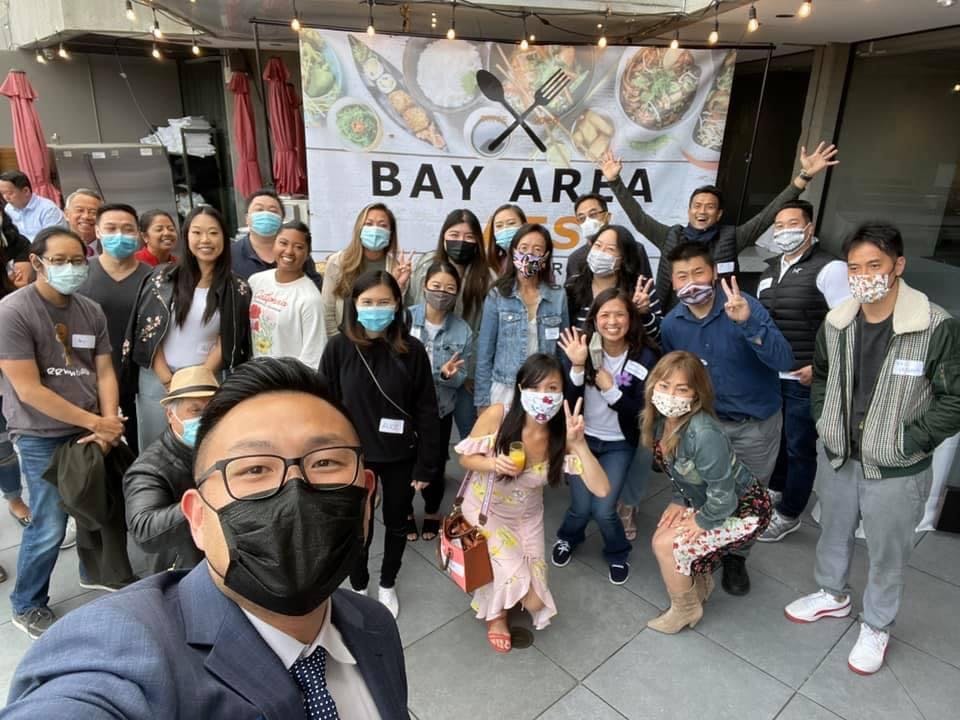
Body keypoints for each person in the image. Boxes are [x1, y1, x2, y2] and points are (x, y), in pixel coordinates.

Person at [4, 357, 409, 718]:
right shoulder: (123, 651)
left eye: (325, 461)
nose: (295, 487)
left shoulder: (375, 625)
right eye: (253, 469)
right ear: (196, 516)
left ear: (366, 496)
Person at [785, 223, 960, 676]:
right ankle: (832, 595)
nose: (864, 276)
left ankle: (878, 623)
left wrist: (911, 440)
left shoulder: (934, 326)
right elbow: (822, 374)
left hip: (897, 466)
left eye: (875, 265)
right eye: (856, 267)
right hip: (841, 453)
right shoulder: (839, 320)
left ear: (898, 266)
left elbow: (955, 397)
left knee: (887, 551)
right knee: (833, 531)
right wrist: (825, 420)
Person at [0, 227, 124, 639]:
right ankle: (28, 603)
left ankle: (93, 572)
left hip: (89, 427)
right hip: (40, 434)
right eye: (61, 261)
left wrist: (108, 423)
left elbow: (104, 369)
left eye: (78, 261)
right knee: (50, 522)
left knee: (92, 505)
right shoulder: (13, 312)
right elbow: (28, 389)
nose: (72, 269)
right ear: (36, 263)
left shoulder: (90, 310)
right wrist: (97, 423)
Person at [660, 241, 793, 596]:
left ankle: (737, 557)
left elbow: (783, 361)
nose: (691, 282)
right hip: (703, 429)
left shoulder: (744, 306)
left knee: (748, 499)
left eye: (698, 273)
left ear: (714, 273)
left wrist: (749, 325)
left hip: (754, 425)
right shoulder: (673, 324)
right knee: (709, 492)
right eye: (682, 276)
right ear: (672, 281)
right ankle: (707, 552)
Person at [456, 353, 610, 652]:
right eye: (536, 388)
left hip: (527, 516)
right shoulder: (498, 415)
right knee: (511, 572)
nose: (544, 396)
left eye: (552, 389)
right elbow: (464, 458)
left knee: (536, 599)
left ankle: (504, 592)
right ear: (520, 388)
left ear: (562, 392)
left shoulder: (561, 434)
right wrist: (494, 465)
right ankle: (496, 615)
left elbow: (602, 489)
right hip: (486, 511)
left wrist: (578, 444)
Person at [319, 270, 446, 619]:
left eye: (384, 302)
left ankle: (388, 581)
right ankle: (359, 584)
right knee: (356, 527)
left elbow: (426, 410)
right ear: (355, 306)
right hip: (353, 459)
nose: (376, 309)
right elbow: (324, 408)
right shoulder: (338, 348)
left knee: (396, 522)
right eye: (368, 302)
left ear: (397, 304)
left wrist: (427, 465)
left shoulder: (412, 350)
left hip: (399, 456)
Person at [598, 142, 839, 309]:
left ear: (719, 213)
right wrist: (614, 181)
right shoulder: (670, 236)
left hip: (720, 318)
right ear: (689, 210)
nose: (702, 211)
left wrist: (804, 177)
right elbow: (638, 217)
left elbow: (768, 214)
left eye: (710, 206)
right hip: (674, 318)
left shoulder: (732, 237)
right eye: (697, 205)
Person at [642, 351, 772, 634]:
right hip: (707, 500)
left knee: (667, 547)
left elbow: (724, 495)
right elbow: (678, 471)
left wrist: (700, 522)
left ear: (695, 394)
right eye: (664, 386)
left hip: (743, 509)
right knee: (661, 535)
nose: (670, 395)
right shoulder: (661, 423)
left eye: (681, 389)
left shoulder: (703, 433)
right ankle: (698, 585)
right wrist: (679, 500)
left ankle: (685, 610)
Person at [755, 200, 850, 542]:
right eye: (778, 225)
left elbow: (847, 324)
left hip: (804, 375)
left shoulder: (830, 269)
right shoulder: (769, 270)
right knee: (778, 441)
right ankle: (777, 492)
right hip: (771, 375)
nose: (784, 231)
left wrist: (820, 366)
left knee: (799, 446)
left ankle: (789, 512)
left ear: (809, 228)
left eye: (792, 223)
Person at [553, 288, 660, 584]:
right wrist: (576, 366)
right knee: (580, 507)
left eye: (620, 314)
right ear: (594, 319)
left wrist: (610, 389)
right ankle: (567, 537)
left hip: (618, 445)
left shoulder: (645, 356)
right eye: (605, 315)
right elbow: (567, 401)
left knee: (603, 510)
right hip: (581, 441)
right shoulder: (582, 348)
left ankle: (617, 552)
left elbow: (639, 411)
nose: (612, 321)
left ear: (631, 318)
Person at [124, 206, 251, 452]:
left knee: (207, 445)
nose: (206, 240)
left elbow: (230, 338)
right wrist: (169, 381)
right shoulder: (161, 278)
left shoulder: (237, 287)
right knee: (157, 447)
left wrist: (197, 381)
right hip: (158, 379)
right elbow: (147, 334)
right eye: (197, 232)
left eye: (214, 233)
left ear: (225, 238)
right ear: (186, 237)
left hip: (208, 379)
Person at [123, 366, 218, 578]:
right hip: (187, 570)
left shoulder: (226, 444)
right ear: (170, 415)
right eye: (195, 411)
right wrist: (209, 499)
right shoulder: (149, 469)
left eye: (213, 410)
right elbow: (145, 531)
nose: (206, 418)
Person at [407, 209, 493, 439]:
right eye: (454, 234)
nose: (461, 242)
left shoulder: (487, 277)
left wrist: (471, 374)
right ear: (443, 236)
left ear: (477, 241)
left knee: (470, 432)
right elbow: (413, 310)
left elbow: (486, 332)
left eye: (469, 237)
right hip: (425, 365)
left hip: (463, 367)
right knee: (426, 433)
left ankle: (474, 475)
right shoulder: (426, 265)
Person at [405, 260, 473, 542]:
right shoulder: (404, 319)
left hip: (440, 407)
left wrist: (446, 376)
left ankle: (432, 511)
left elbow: (462, 377)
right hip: (405, 407)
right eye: (436, 286)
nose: (441, 293)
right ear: (424, 287)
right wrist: (437, 371)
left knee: (435, 460)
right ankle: (406, 512)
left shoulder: (463, 330)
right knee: (405, 459)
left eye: (449, 288)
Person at [78, 203, 152, 453]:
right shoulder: (80, 273)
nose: (119, 235)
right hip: (88, 379)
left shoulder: (155, 278)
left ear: (140, 235)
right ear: (97, 232)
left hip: (141, 379)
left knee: (140, 445)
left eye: (128, 229)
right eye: (111, 228)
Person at [475, 223, 569, 410]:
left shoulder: (558, 296)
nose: (529, 255)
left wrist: (562, 393)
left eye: (537, 249)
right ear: (514, 252)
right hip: (505, 389)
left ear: (545, 257)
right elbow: (484, 353)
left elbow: (564, 352)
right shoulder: (497, 295)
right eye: (524, 248)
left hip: (544, 389)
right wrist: (482, 402)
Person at [321, 202, 413, 339]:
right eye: (369, 224)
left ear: (391, 233)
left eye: (383, 225)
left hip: (382, 343)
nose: (375, 230)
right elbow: (327, 310)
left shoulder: (397, 268)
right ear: (359, 228)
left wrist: (399, 286)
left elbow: (399, 314)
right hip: (344, 343)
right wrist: (337, 344)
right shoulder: (338, 263)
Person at [248, 221, 327, 367]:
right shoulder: (256, 281)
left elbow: (313, 358)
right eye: (283, 243)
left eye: (298, 247)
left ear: (307, 253)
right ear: (274, 244)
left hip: (286, 383)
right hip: (257, 376)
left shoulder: (310, 300)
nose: (289, 251)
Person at [565, 223, 660, 339]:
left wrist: (644, 314)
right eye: (598, 245)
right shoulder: (573, 285)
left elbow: (658, 336)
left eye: (610, 249)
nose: (600, 253)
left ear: (624, 258)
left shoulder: (641, 289)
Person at [231, 188, 323, 290]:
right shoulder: (231, 254)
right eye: (259, 209)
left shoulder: (295, 252)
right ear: (247, 219)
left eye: (273, 211)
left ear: (281, 219)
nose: (266, 215)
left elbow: (315, 287)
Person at [0, 171, 66, 242]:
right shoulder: (8, 209)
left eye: (9, 193)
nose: (5, 198)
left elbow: (54, 241)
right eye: (2, 193)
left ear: (26, 191)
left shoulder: (48, 210)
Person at [564, 193, 615, 282]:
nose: (588, 221)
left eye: (593, 214)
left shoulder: (633, 249)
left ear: (607, 217)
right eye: (582, 218)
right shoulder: (575, 259)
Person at [63, 189, 103, 256]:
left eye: (93, 212)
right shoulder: (55, 247)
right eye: (80, 210)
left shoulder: (110, 248)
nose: (86, 216)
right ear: (66, 214)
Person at [488, 203, 526, 273]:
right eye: (499, 226)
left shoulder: (533, 260)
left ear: (524, 225)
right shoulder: (492, 264)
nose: (505, 229)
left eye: (511, 223)